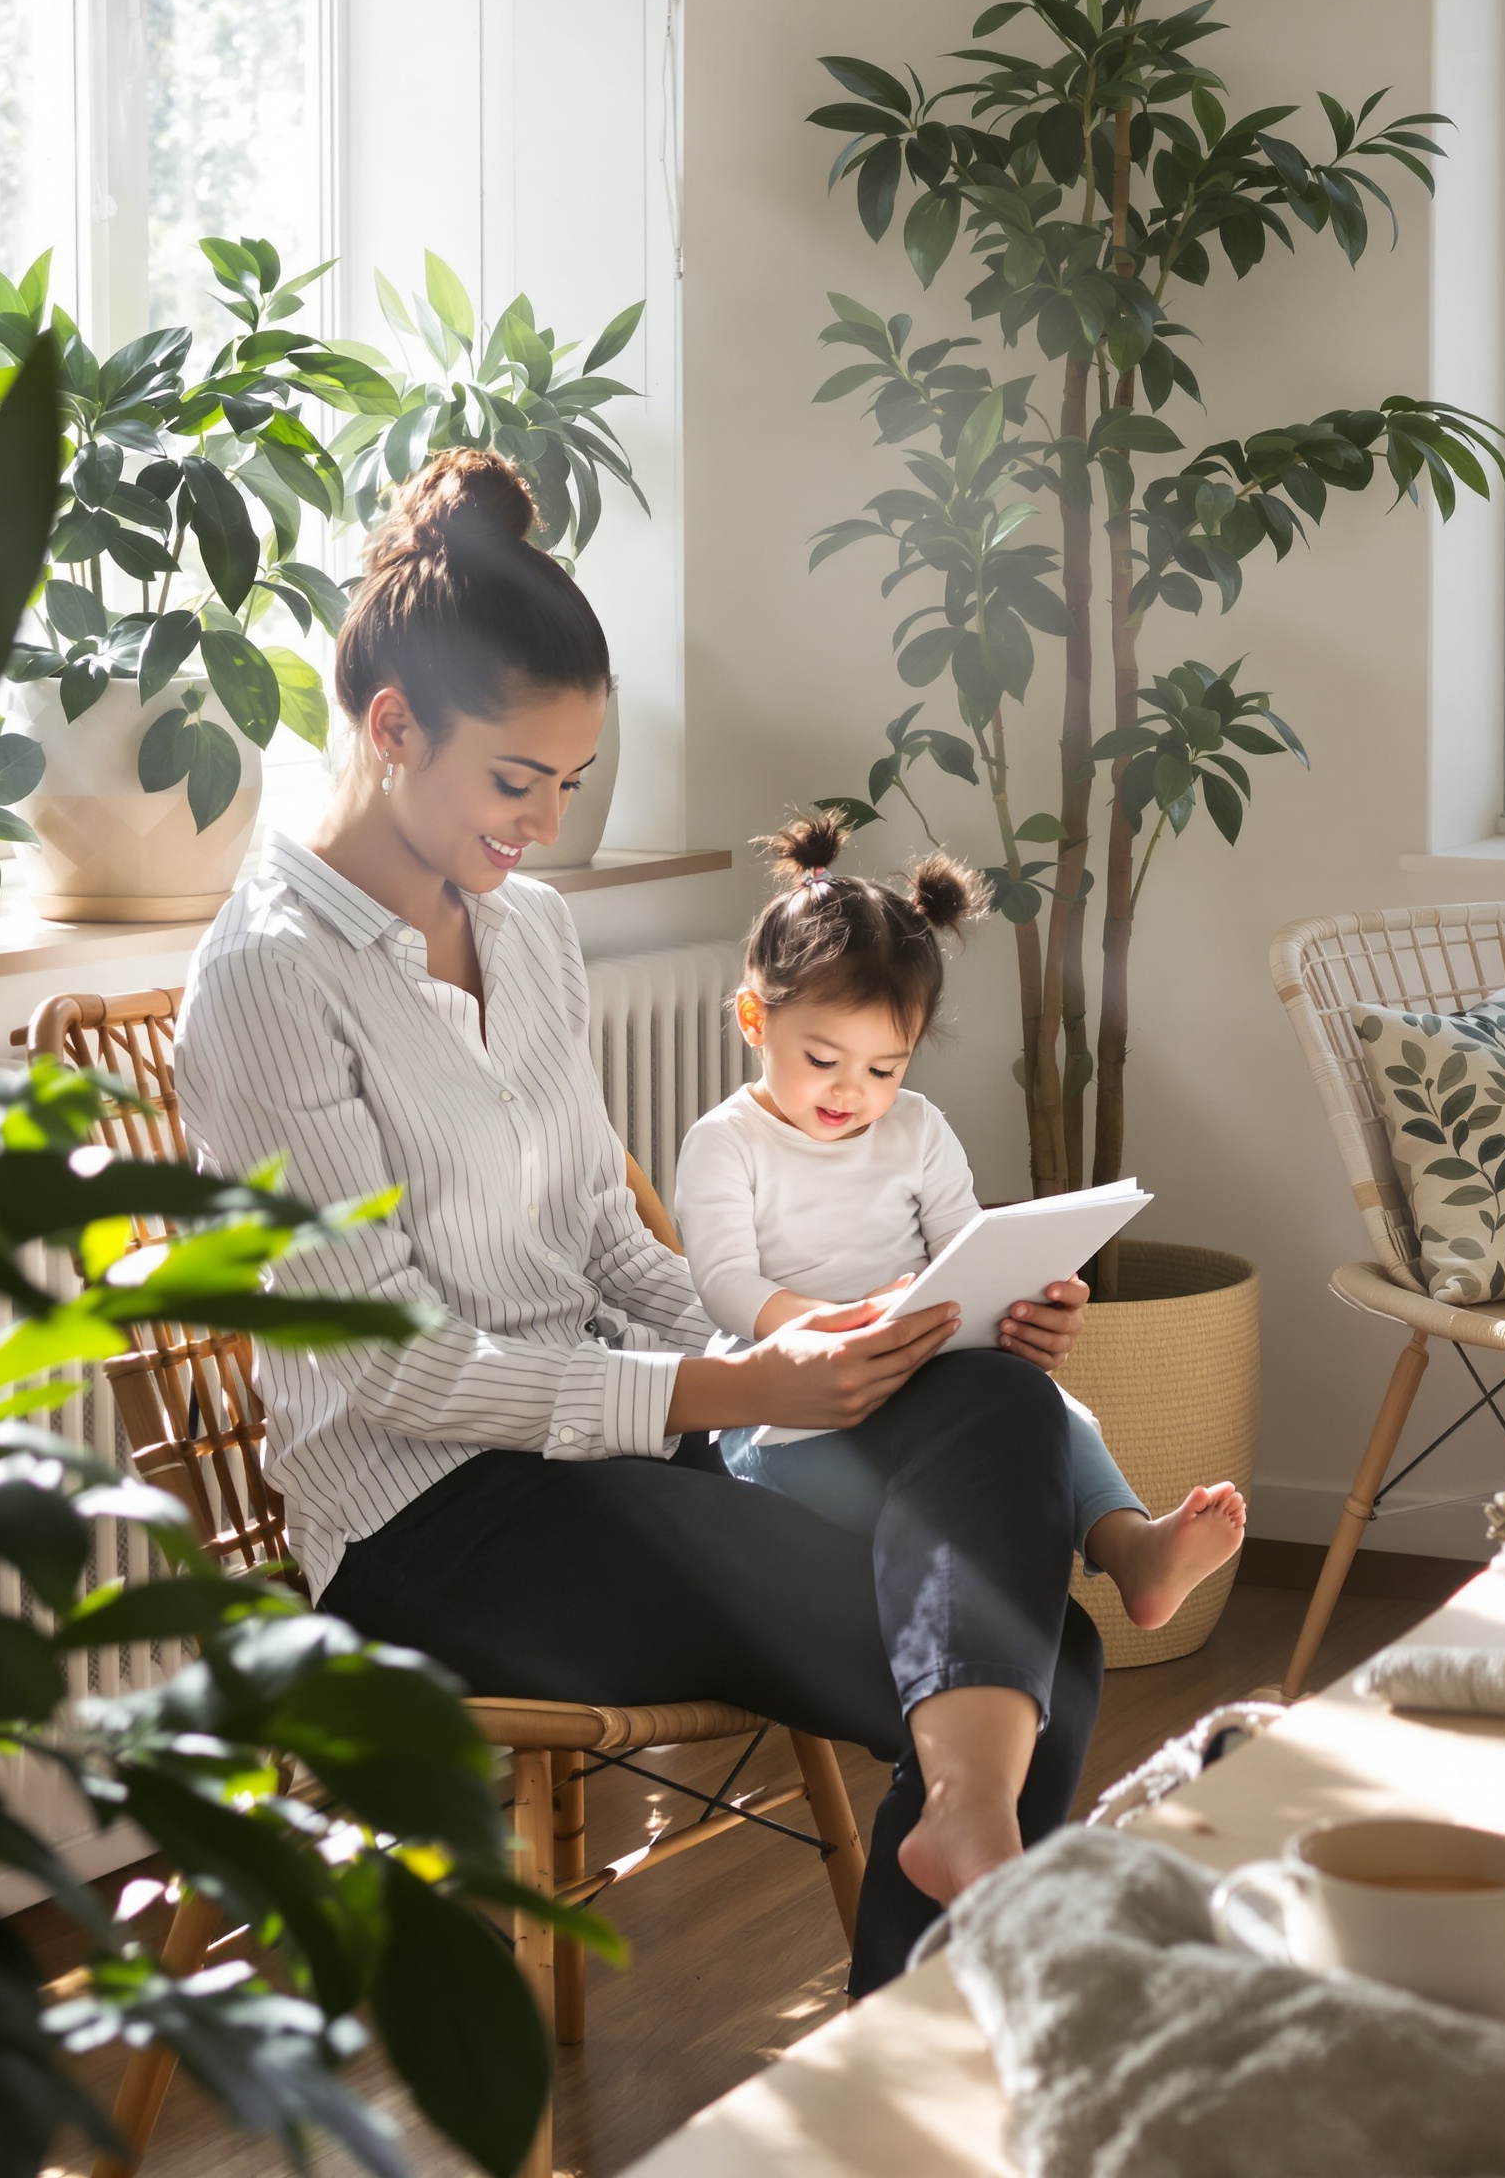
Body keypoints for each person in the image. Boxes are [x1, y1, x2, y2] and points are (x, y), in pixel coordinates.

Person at [174, 447, 1104, 1992]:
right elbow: (384, 1364)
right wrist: (726, 1390)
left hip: (622, 1445)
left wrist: (832, 1344)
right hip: (434, 1525)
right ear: (391, 727)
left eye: (570, 782)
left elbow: (606, 1239)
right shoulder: (270, 977)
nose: (542, 825)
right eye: (514, 781)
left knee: (997, 1409)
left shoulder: (530, 934)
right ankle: (933, 2067)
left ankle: (938, 1953)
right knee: (1032, 1659)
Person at [673, 812, 1247, 1634]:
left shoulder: (916, 1128)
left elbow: (967, 1251)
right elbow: (727, 1286)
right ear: (756, 1020)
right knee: (936, 1502)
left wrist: (1027, 1303)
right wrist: (835, 1328)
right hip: (779, 1409)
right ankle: (951, 1614)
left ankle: (1131, 1547)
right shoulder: (727, 1142)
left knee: (1045, 1411)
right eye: (823, 1060)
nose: (851, 1090)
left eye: (884, 1067)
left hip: (921, 1375)